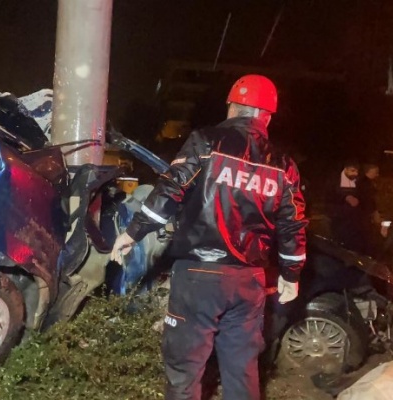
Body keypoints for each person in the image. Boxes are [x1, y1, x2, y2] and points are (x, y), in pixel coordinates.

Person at [111, 75, 307, 400]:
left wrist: (133, 232)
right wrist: (291, 276)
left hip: (199, 276)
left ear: (231, 107)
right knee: (242, 370)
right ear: (268, 117)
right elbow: (293, 224)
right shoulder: (284, 165)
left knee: (184, 372)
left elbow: (171, 190)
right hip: (250, 281)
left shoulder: (206, 141)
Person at [326, 160, 366, 253]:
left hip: (354, 217)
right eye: (352, 171)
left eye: (356, 171)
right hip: (338, 216)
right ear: (346, 169)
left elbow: (364, 195)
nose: (355, 173)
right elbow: (329, 197)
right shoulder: (334, 180)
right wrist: (345, 197)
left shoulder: (359, 181)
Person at [357, 163, 383, 257]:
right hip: (365, 215)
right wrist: (374, 212)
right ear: (370, 171)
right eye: (375, 172)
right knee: (367, 236)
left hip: (365, 214)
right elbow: (369, 200)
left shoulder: (365, 182)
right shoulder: (365, 184)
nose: (377, 175)